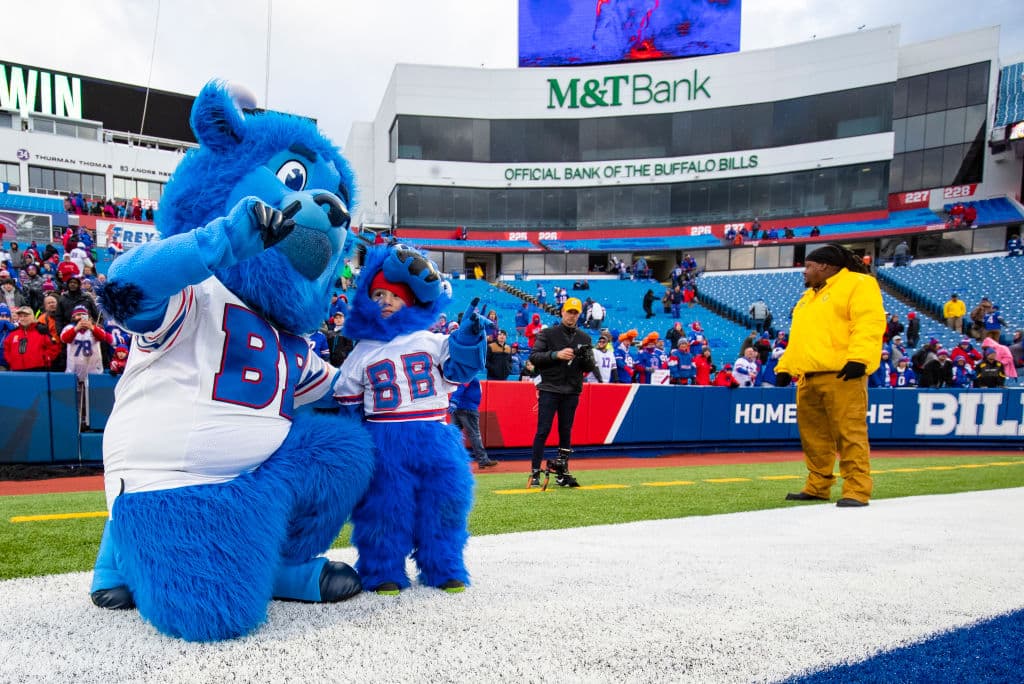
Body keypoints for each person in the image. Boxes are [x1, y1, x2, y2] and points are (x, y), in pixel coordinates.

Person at [775, 244, 885, 508]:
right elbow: (800, 339)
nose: (805, 272)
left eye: (809, 266)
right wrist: (785, 367)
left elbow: (869, 322)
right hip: (808, 377)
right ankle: (818, 486)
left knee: (849, 432)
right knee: (813, 437)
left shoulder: (859, 283)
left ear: (824, 266)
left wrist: (860, 358)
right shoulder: (808, 297)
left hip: (842, 374)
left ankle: (857, 489)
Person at [527, 297, 599, 488]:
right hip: (550, 388)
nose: (572, 316)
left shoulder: (585, 338)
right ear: (562, 312)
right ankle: (535, 471)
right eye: (569, 312)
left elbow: (589, 366)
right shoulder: (548, 333)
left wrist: (586, 358)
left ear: (579, 315)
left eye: (575, 313)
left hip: (572, 390)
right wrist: (555, 355)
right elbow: (534, 357)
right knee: (543, 430)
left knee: (565, 431)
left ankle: (562, 471)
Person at [450, 379, 498, 468]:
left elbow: (458, 387)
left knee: (453, 435)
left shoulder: (460, 375)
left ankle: (451, 460)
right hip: (468, 408)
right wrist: (454, 400)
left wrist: (453, 401)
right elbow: (462, 386)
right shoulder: (469, 374)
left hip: (457, 408)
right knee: (474, 435)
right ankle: (483, 460)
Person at [3, 305, 60, 371]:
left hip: (38, 369)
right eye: (20, 316)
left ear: (32, 317)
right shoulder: (13, 333)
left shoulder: (41, 331)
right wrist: (11, 361)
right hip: (17, 370)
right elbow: (6, 349)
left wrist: (44, 358)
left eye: (25, 316)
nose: (22, 318)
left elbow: (54, 347)